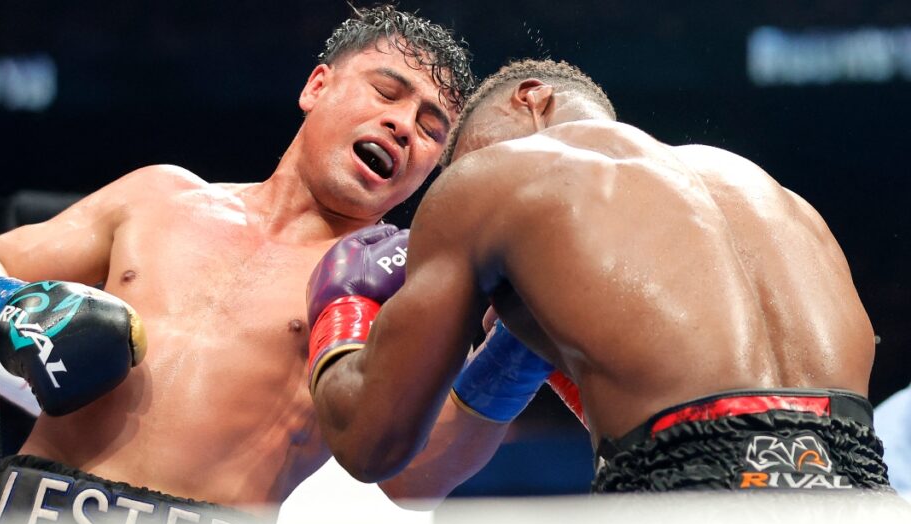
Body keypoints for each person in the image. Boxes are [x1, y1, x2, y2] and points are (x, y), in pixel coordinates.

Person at [0, 5, 487, 524]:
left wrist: (516, 346)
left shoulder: (400, 289)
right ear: (317, 87)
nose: (403, 125)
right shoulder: (158, 198)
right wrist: (17, 312)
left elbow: (420, 479)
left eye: (432, 129)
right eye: (387, 92)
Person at [306, 58, 891, 493]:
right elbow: (738, 411)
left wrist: (343, 302)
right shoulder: (769, 193)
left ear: (531, 98)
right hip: (867, 505)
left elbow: (370, 443)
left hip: (693, 510)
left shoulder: (491, 181)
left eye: (463, 158)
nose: (466, 172)